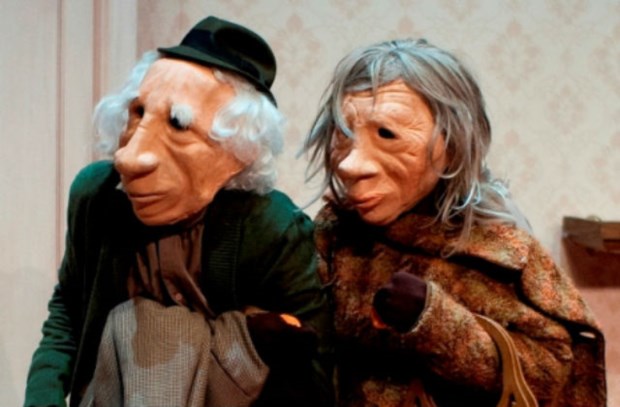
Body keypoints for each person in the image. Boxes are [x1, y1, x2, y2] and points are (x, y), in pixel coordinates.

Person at [25, 16, 333, 407]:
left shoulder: (272, 227)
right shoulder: (97, 196)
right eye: (138, 112)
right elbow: (69, 309)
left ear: (238, 151)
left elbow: (314, 369)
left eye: (178, 124)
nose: (128, 158)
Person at [302, 38, 605, 407]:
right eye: (343, 135)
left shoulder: (500, 251)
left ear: (453, 144)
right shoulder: (336, 233)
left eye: (387, 134)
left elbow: (549, 375)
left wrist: (434, 319)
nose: (350, 165)